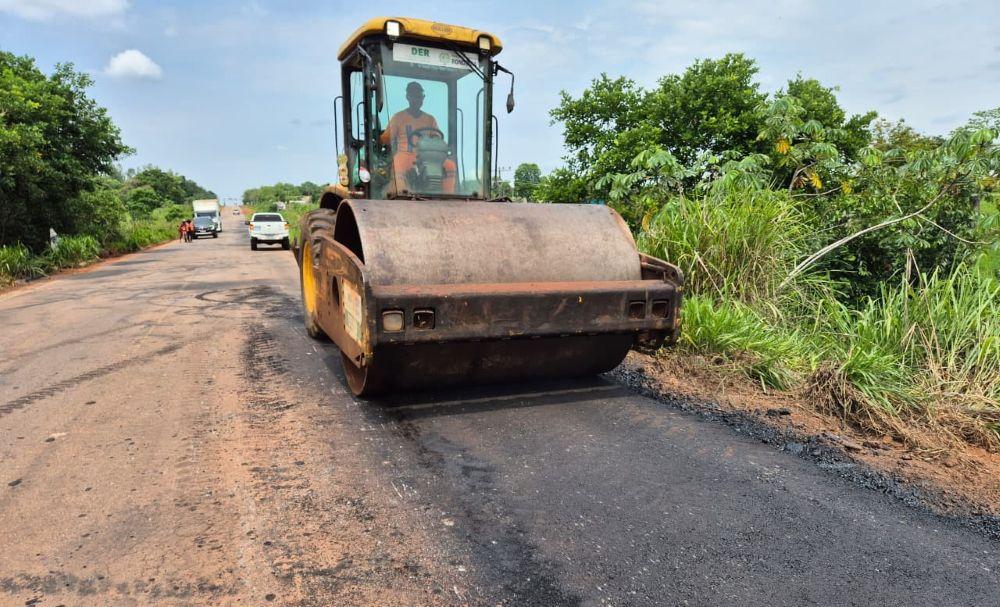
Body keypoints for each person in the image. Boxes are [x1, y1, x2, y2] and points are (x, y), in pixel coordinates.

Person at [379, 81, 456, 194]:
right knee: (397, 163)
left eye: (420, 96)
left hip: (427, 157)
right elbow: (386, 138)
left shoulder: (430, 119)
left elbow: (438, 140)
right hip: (405, 154)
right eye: (414, 96)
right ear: (408, 97)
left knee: (450, 165)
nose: (418, 99)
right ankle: (402, 196)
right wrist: (380, 138)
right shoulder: (398, 117)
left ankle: (448, 198)